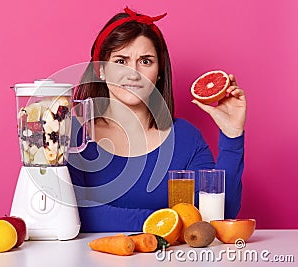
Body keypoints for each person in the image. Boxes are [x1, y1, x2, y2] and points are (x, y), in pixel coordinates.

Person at [67, 7, 246, 232]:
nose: (133, 73)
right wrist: (165, 222)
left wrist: (232, 138)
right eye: (121, 61)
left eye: (146, 61)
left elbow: (220, 214)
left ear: (159, 71)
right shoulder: (72, 134)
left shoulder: (186, 138)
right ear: (101, 70)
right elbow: (73, 212)